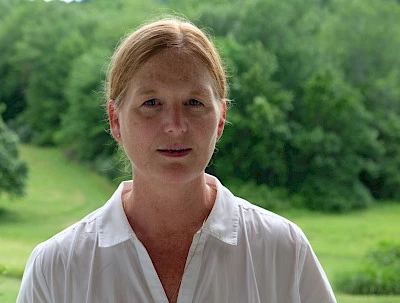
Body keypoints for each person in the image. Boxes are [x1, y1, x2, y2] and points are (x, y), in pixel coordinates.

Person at [17, 17, 337, 303]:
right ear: (115, 120)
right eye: (151, 102)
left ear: (221, 118)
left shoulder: (281, 251)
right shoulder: (57, 267)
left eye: (194, 102)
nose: (175, 125)